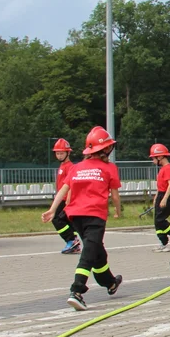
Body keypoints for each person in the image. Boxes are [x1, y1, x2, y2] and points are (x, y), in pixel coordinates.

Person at [41, 126, 123, 311]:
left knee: (97, 251)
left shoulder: (77, 167)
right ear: (106, 149)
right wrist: (118, 212)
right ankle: (77, 291)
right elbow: (115, 196)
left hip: (76, 216)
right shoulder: (110, 168)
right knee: (89, 253)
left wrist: (53, 209)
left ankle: (110, 283)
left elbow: (64, 189)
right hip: (95, 216)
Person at [149, 144, 170, 252]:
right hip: (161, 195)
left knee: (160, 220)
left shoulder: (168, 168)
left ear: (160, 157)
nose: (152, 161)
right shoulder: (163, 169)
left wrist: (164, 199)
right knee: (157, 221)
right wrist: (156, 197)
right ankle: (163, 243)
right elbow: (160, 185)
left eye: (153, 158)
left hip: (166, 196)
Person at [50, 138, 81, 255]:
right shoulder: (62, 166)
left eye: (61, 153)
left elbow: (72, 184)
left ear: (68, 153)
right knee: (67, 221)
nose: (59, 155)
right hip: (61, 198)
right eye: (57, 153)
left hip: (65, 199)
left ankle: (71, 240)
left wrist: (68, 198)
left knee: (56, 219)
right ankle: (74, 242)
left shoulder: (70, 167)